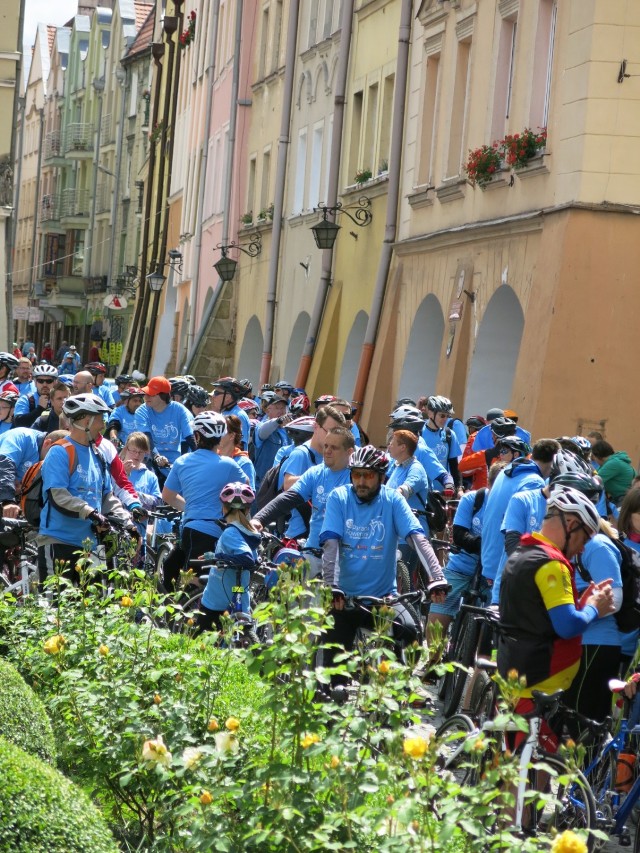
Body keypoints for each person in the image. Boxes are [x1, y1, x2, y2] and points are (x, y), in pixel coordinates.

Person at [319, 445, 449, 686]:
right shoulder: (340, 498)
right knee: (332, 676)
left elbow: (416, 537)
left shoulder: (392, 500)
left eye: (368, 476)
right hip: (344, 599)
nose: (361, 481)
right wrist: (332, 585)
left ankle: (394, 695)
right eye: (356, 474)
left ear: (382, 477)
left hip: (383, 599)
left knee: (411, 634)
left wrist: (436, 577)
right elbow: (331, 543)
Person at [498, 486, 615, 738]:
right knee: (535, 762)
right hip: (537, 679)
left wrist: (582, 605)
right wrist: (594, 607)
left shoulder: (524, 551)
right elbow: (567, 626)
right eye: (584, 538)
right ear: (571, 524)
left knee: (519, 762)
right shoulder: (552, 564)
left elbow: (537, 617)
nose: (582, 549)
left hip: (517, 671)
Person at [38, 394, 132, 585]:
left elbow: (107, 496)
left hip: (92, 546)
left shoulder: (98, 454)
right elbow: (58, 495)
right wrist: (89, 511)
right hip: (59, 541)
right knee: (54, 608)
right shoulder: (60, 451)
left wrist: (127, 521)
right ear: (85, 420)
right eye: (100, 418)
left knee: (94, 606)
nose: (103, 425)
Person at [160, 412, 247, 593]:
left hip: (194, 529)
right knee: (173, 565)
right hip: (221, 531)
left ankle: (181, 617)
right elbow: (246, 491)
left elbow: (167, 496)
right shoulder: (229, 465)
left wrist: (190, 507)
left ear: (197, 436)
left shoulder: (182, 461)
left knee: (192, 581)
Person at [254, 426, 355, 579]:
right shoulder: (316, 472)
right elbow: (288, 498)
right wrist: (258, 519)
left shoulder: (357, 479)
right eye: (326, 445)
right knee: (291, 597)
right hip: (312, 552)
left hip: (343, 559)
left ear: (349, 453)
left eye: (334, 448)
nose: (327, 451)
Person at [481, 438, 559, 593]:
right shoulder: (534, 482)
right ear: (553, 464)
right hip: (504, 567)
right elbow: (529, 529)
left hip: (488, 557)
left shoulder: (507, 470)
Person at [196, 482, 262, 634]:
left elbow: (246, 558)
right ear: (247, 511)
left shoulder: (230, 533)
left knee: (200, 642)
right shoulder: (250, 534)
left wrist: (217, 557)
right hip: (239, 595)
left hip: (216, 600)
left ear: (224, 508)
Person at [278, 405, 346, 540]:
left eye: (337, 433)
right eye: (329, 431)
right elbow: (287, 485)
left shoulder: (333, 454)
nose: (333, 437)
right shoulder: (301, 453)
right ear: (316, 427)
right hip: (299, 534)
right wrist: (317, 477)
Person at [134, 376, 195, 484]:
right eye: (146, 393)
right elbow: (146, 438)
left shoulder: (179, 410)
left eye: (151, 394)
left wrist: (201, 458)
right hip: (150, 458)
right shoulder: (141, 411)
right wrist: (157, 456)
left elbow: (190, 438)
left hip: (175, 461)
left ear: (163, 396)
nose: (146, 397)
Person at [421, 396, 462, 491]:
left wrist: (459, 488)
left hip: (443, 491)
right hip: (422, 490)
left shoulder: (449, 434)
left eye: (448, 416)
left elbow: (454, 465)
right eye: (442, 415)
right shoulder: (419, 432)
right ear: (430, 413)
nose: (445, 419)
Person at [252, 392, 293, 485]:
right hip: (263, 483)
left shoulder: (287, 431)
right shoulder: (261, 426)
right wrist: (278, 421)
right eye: (277, 407)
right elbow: (263, 432)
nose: (281, 411)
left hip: (281, 483)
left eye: (283, 408)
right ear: (268, 410)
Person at [210, 376, 253, 449]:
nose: (213, 396)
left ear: (228, 396)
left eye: (216, 393)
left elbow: (239, 446)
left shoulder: (238, 415)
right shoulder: (224, 412)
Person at [590, 439, 635, 506]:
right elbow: (596, 473)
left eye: (593, 457)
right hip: (621, 497)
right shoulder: (611, 462)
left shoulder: (613, 463)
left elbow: (595, 481)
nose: (594, 460)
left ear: (598, 456)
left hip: (625, 498)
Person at [13, 364, 59, 428]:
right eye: (40, 381)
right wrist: (40, 408)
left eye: (49, 381)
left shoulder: (61, 399)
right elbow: (19, 423)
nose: (44, 384)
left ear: (55, 382)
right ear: (34, 382)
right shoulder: (26, 399)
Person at [218, 414, 256, 489]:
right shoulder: (212, 458)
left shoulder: (245, 463)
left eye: (220, 432)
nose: (215, 435)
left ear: (232, 436)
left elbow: (249, 495)